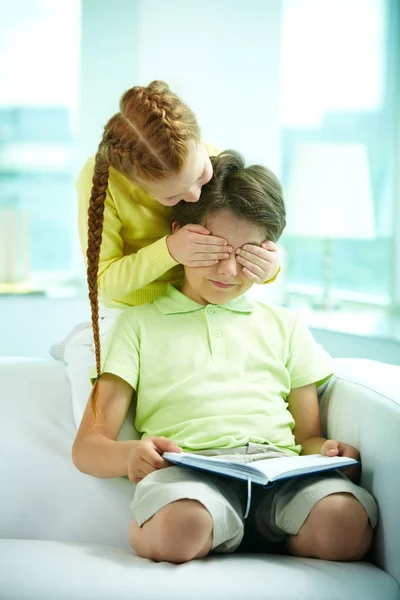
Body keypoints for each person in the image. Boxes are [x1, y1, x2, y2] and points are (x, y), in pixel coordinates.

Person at [72, 150, 378, 564]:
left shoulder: (285, 325)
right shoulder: (138, 325)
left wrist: (329, 452)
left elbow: (308, 438)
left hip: (279, 472)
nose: (229, 270)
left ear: (268, 254)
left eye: (247, 254)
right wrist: (131, 455)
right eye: (213, 248)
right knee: (181, 529)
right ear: (180, 235)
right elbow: (88, 446)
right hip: (191, 477)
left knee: (346, 523)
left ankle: (269, 532)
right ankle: (221, 530)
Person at [51, 81, 280, 428]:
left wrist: (271, 266)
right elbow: (104, 282)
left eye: (200, 176)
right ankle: (84, 336)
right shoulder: (101, 181)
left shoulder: (213, 157)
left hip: (196, 303)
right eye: (172, 197)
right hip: (132, 311)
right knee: (104, 401)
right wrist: (170, 251)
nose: (193, 196)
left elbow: (250, 231)